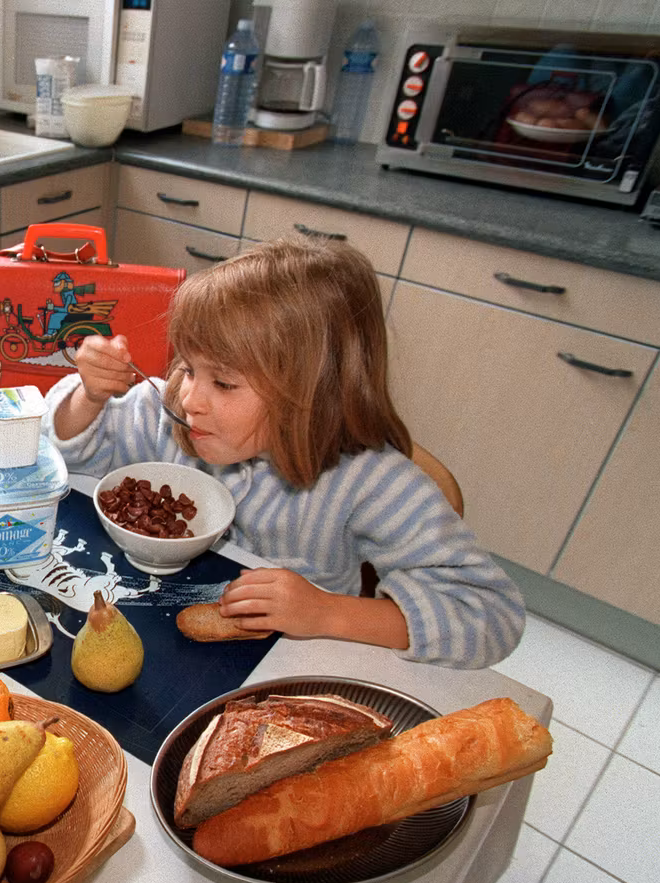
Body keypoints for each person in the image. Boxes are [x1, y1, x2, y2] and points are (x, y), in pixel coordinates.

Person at [46, 236, 524, 669]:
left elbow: (491, 615)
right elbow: (73, 453)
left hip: (296, 668)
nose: (190, 398)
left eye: (224, 382)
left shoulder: (369, 481)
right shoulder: (173, 412)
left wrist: (327, 611)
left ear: (311, 393)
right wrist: (90, 397)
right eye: (189, 368)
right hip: (159, 645)